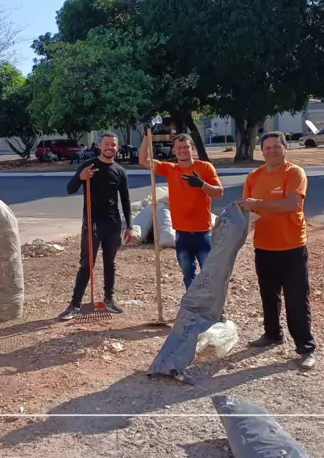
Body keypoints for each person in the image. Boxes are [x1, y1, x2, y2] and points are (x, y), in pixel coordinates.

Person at [237, 131, 316, 371]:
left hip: (292, 248)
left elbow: (292, 204)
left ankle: (306, 348)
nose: (271, 151)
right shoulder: (254, 176)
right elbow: (246, 210)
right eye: (267, 148)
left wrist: (259, 204)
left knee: (297, 300)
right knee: (269, 296)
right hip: (264, 247)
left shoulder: (294, 173)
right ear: (262, 151)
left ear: (285, 148)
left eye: (276, 147)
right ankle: (272, 334)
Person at [59, 133, 134, 320]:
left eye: (113, 145)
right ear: (100, 145)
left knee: (110, 263)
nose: (109, 147)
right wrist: (81, 177)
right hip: (92, 223)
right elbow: (70, 189)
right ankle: (74, 305)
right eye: (106, 144)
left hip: (113, 224)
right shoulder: (89, 165)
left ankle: (109, 299)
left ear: (117, 148)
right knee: (87, 264)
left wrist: (129, 226)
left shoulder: (120, 171)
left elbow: (126, 200)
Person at [139, 131, 224, 289]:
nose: (182, 151)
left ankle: (213, 304)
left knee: (209, 274)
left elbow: (219, 193)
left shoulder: (205, 167)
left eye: (186, 147)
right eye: (179, 148)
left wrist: (201, 184)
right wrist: (146, 136)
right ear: (174, 150)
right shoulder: (171, 169)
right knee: (188, 273)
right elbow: (143, 160)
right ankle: (191, 302)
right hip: (181, 233)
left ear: (192, 148)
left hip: (203, 232)